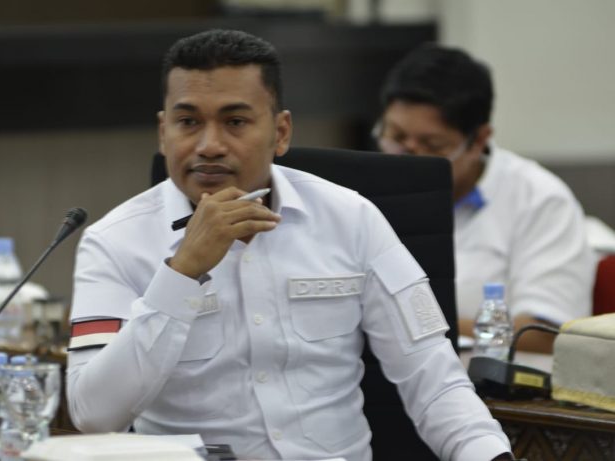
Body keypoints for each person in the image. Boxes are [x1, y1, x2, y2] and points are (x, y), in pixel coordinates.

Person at [66, 29, 513, 461]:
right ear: (163, 133)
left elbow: (434, 380)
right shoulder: (115, 242)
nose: (209, 145)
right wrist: (181, 274)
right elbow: (93, 415)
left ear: (280, 132)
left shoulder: (351, 219)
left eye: (235, 122)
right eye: (188, 122)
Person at [374, 44, 596, 353]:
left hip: (485, 376)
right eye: (396, 137)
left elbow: (543, 334)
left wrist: (404, 322)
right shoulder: (362, 191)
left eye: (432, 145)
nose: (406, 159)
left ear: (479, 140)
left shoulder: (539, 200)